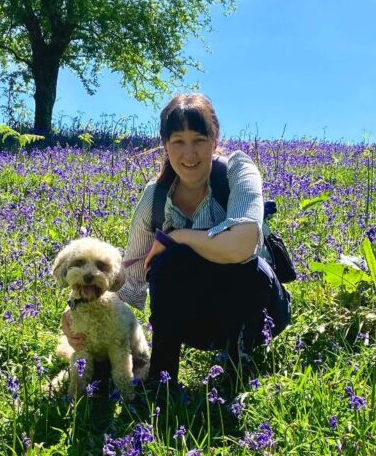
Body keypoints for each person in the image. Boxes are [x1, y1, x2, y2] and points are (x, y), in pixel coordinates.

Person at [62, 92, 290, 387]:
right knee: (168, 262)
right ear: (165, 145)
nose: (189, 154)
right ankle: (162, 382)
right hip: (197, 321)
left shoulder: (237, 171)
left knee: (244, 268)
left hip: (259, 311)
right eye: (178, 142)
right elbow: (126, 281)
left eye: (199, 139)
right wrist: (78, 309)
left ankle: (237, 372)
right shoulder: (155, 197)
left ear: (215, 138)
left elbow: (242, 245)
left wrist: (177, 236)